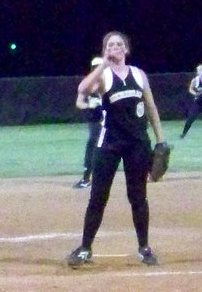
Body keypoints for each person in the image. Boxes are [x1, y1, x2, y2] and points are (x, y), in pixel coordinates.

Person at [66, 32, 169, 269]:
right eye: (110, 45)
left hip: (137, 143)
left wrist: (160, 140)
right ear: (105, 50)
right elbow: (83, 88)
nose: (116, 47)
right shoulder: (104, 76)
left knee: (138, 197)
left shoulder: (139, 74)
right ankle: (85, 248)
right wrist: (103, 64)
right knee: (98, 197)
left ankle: (144, 249)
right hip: (109, 144)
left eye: (119, 44)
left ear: (126, 49)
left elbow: (151, 107)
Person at [73, 57, 105, 188]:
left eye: (99, 66)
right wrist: (89, 105)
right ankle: (86, 178)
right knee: (92, 144)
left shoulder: (108, 82)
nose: (97, 69)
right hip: (95, 120)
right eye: (95, 67)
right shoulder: (87, 84)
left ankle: (147, 171)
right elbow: (79, 103)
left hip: (109, 119)